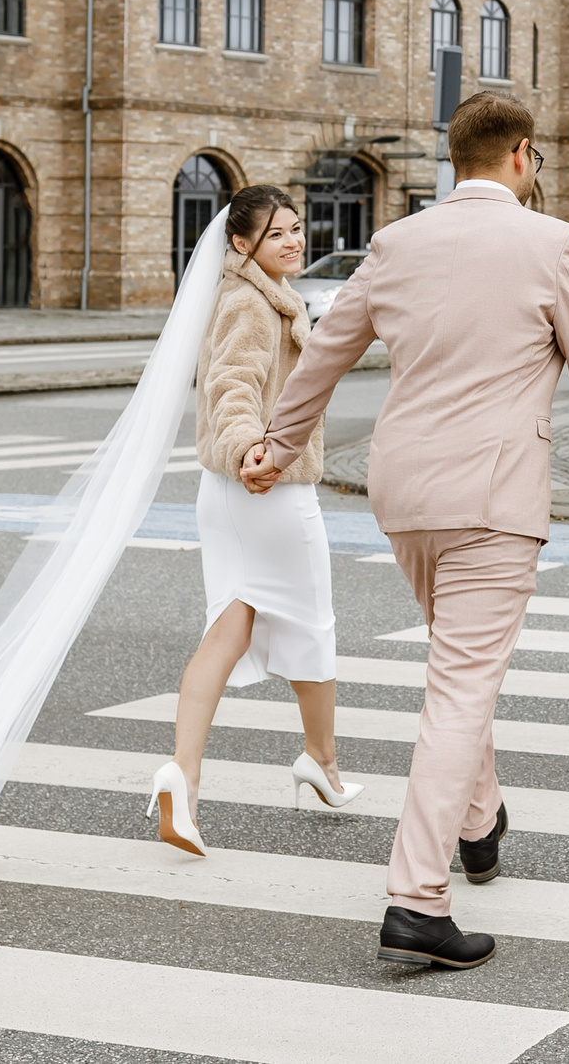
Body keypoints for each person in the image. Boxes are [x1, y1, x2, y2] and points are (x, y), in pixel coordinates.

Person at [245, 93, 569, 970]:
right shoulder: (553, 243)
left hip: (404, 492)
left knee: (461, 658)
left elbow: (324, 351)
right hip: (492, 495)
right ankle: (417, 898)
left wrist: (276, 447)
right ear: (523, 156)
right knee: (461, 686)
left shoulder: (397, 242)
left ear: (454, 159)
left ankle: (480, 821)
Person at [145, 184, 364, 856]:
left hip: (229, 492)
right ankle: (321, 764)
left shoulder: (257, 293)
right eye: (276, 234)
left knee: (229, 627)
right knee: (313, 624)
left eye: (297, 228)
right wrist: (251, 449)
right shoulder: (250, 302)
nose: (294, 240)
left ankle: (182, 777)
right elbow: (230, 387)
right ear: (240, 243)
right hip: (268, 487)